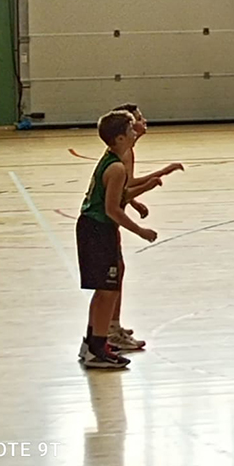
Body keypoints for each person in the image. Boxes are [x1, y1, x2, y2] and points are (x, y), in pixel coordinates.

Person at [75, 110, 158, 369]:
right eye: (131, 129)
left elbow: (118, 197)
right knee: (108, 290)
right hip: (99, 230)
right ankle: (97, 348)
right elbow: (113, 209)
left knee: (104, 291)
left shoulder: (111, 159)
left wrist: (146, 187)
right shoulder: (117, 168)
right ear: (120, 138)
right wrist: (140, 231)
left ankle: (92, 344)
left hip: (92, 227)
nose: (135, 133)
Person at [109, 103, 183, 352]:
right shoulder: (122, 155)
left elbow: (124, 186)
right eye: (138, 120)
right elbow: (122, 188)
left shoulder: (126, 150)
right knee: (112, 275)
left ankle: (113, 324)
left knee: (118, 270)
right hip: (105, 222)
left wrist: (134, 200)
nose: (143, 122)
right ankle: (110, 329)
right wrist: (155, 180)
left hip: (109, 220)